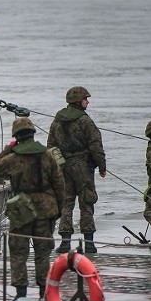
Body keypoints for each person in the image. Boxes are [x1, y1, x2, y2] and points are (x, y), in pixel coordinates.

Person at [0, 117, 64, 301]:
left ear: (16, 136)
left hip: (21, 208)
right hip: (46, 207)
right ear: (33, 133)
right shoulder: (47, 155)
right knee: (43, 253)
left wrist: (9, 147)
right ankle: (44, 293)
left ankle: (21, 294)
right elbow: (59, 183)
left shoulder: (13, 158)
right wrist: (59, 209)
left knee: (18, 252)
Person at [47, 86, 107, 254]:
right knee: (87, 203)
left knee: (66, 203)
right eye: (85, 99)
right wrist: (102, 166)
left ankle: (65, 243)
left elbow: (50, 146)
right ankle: (89, 244)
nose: (87, 101)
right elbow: (96, 146)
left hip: (63, 166)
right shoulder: (85, 121)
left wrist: (58, 164)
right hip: (83, 166)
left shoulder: (57, 120)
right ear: (79, 101)